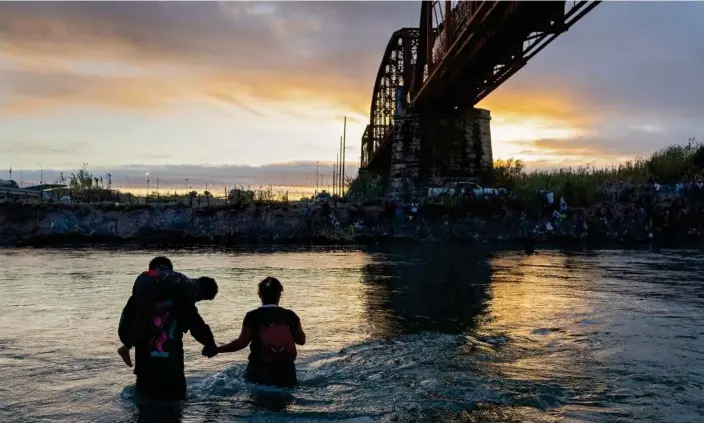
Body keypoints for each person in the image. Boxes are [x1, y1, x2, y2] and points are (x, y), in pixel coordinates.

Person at [118, 256, 219, 401]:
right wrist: (210, 344)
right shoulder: (182, 295)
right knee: (176, 409)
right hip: (172, 368)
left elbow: (127, 324)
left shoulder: (138, 299)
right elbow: (197, 325)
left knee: (144, 411)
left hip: (145, 368)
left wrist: (127, 343)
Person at [214, 277, 305, 387]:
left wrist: (216, 349)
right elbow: (301, 341)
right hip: (286, 370)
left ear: (260, 294)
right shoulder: (290, 315)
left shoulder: (252, 316)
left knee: (258, 401)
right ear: (279, 294)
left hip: (260, 369)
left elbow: (241, 343)